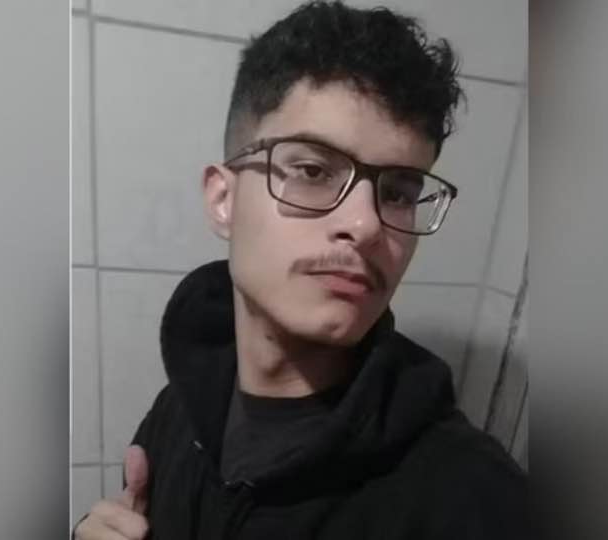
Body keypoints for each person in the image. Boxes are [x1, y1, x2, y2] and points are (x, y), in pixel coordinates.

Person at [74, 1, 527, 538]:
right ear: (223, 199)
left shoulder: (475, 500)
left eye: (398, 193)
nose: (366, 225)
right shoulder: (183, 408)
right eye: (313, 170)